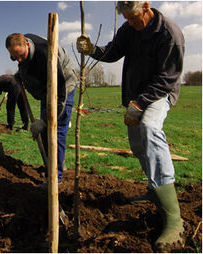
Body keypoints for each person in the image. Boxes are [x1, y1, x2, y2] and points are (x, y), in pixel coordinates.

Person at [76, 1, 185, 251]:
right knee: (138, 145)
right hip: (135, 95)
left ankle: (174, 219)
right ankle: (154, 190)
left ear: (146, 6)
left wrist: (140, 104)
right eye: (127, 19)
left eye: (135, 18)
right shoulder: (129, 28)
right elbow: (113, 52)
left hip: (160, 94)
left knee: (149, 128)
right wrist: (92, 49)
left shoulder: (169, 33)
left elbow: (168, 77)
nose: (132, 23)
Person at [5, 33, 77, 185]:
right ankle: (54, 164)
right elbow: (25, 63)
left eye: (20, 55)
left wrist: (45, 120)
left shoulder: (47, 54)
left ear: (27, 45)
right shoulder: (22, 47)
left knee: (56, 132)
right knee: (45, 134)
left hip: (63, 86)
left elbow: (60, 93)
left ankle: (55, 179)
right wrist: (21, 75)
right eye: (14, 57)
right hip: (46, 90)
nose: (18, 60)